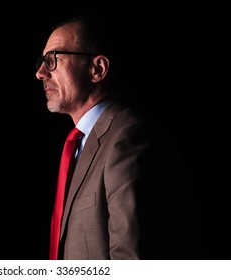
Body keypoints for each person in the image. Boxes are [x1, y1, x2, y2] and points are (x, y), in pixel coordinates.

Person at [35, 14, 200, 260]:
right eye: (42, 61)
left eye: (53, 60)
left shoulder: (129, 140)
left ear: (97, 69)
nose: (40, 73)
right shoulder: (80, 144)